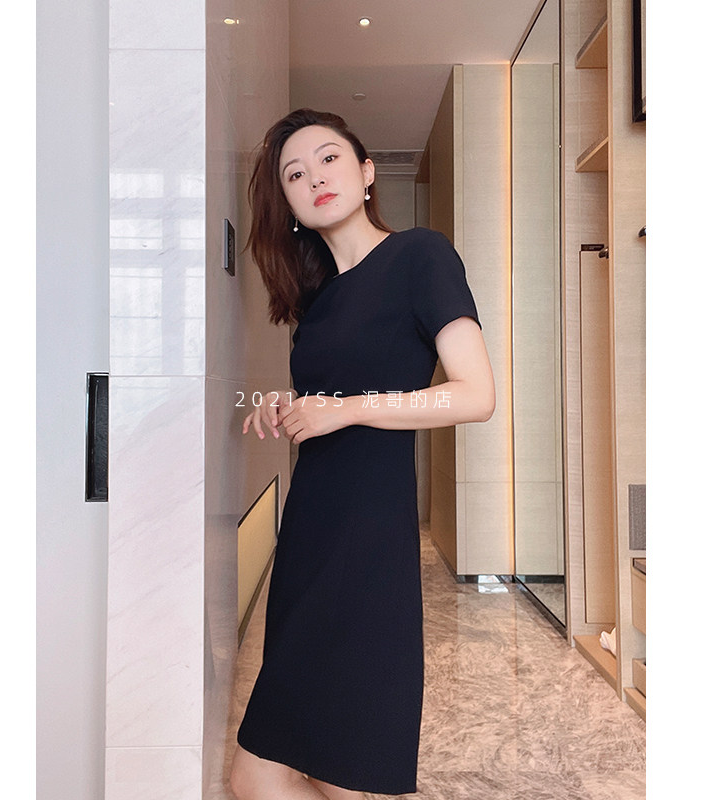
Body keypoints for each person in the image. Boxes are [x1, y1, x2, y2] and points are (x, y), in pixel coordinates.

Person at [229, 108, 495, 800]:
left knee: (327, 771)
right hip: (308, 536)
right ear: (287, 204)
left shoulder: (420, 256)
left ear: (367, 171)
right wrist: (288, 404)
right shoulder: (315, 302)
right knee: (268, 771)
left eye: (328, 159)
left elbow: (475, 396)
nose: (314, 178)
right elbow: (329, 401)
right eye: (295, 174)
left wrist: (346, 407)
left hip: (368, 541)